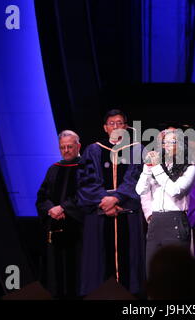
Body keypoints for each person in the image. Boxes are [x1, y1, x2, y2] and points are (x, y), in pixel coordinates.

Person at [77, 109, 146, 296]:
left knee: (129, 261)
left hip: (126, 210)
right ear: (105, 128)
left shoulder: (137, 149)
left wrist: (116, 198)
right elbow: (86, 180)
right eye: (112, 123)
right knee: (100, 259)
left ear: (126, 126)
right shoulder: (93, 150)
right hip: (101, 212)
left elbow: (137, 177)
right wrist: (104, 201)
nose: (116, 127)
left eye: (120, 123)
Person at [135, 128, 195, 277]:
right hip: (156, 222)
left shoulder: (190, 168)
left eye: (172, 142)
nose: (167, 145)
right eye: (165, 142)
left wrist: (155, 167)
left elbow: (175, 190)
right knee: (153, 272)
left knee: (176, 273)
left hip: (175, 220)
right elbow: (139, 190)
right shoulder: (158, 167)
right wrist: (147, 169)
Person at [36, 130, 84, 298]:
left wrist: (63, 207)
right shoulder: (53, 169)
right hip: (55, 230)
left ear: (78, 146)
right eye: (62, 147)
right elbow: (42, 197)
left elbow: (86, 194)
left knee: (77, 272)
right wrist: (51, 209)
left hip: (78, 232)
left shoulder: (86, 168)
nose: (66, 150)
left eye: (70, 146)